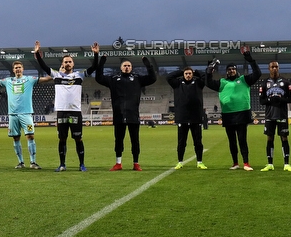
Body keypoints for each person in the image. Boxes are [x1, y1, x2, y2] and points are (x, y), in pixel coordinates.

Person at [0, 61, 52, 169]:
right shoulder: (7, 81)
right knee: (16, 138)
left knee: (30, 136)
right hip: (13, 114)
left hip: (26, 113)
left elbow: (46, 79)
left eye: (19, 67)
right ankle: (21, 162)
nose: (18, 69)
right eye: (16, 68)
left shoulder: (30, 79)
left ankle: (33, 162)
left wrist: (58, 74)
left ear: (23, 69)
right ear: (13, 70)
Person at [34, 41, 97, 172]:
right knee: (62, 139)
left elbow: (93, 67)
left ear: (73, 64)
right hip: (61, 112)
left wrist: (96, 55)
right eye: (65, 62)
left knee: (78, 138)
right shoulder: (56, 75)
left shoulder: (79, 75)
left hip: (75, 112)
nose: (68, 63)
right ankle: (62, 164)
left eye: (70, 61)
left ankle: (82, 164)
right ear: (62, 64)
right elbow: (44, 67)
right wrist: (37, 54)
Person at [92, 43, 157, 171]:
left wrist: (147, 63)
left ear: (131, 68)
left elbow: (153, 78)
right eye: (125, 66)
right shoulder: (113, 79)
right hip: (119, 115)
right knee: (118, 140)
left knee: (135, 141)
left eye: (129, 66)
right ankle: (118, 163)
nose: (127, 67)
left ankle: (136, 163)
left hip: (133, 115)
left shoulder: (138, 79)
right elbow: (99, 78)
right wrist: (102, 61)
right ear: (121, 68)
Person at [206, 47, 261, 171]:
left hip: (242, 113)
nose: (231, 71)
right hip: (228, 114)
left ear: (236, 70)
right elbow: (208, 83)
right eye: (229, 69)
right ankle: (235, 163)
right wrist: (208, 71)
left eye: (233, 69)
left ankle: (246, 163)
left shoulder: (244, 80)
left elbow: (257, 74)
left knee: (242, 139)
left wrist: (251, 60)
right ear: (226, 72)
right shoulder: (222, 82)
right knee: (232, 141)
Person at [167, 66, 208, 169]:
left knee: (198, 142)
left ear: (192, 74)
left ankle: (199, 162)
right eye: (186, 74)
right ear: (183, 74)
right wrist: (181, 71)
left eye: (190, 73)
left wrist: (196, 71)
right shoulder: (177, 84)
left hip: (196, 117)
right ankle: (180, 162)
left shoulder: (198, 83)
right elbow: (168, 77)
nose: (188, 75)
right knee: (181, 142)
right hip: (182, 117)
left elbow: (205, 76)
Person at [258, 60, 291, 171]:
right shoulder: (264, 83)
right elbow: (261, 100)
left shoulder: (285, 82)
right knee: (270, 138)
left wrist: (280, 99)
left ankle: (286, 164)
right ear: (269, 68)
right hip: (269, 115)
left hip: (282, 115)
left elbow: (290, 98)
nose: (274, 69)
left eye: (276, 67)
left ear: (279, 68)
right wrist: (270, 99)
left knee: (284, 138)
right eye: (272, 67)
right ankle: (270, 164)